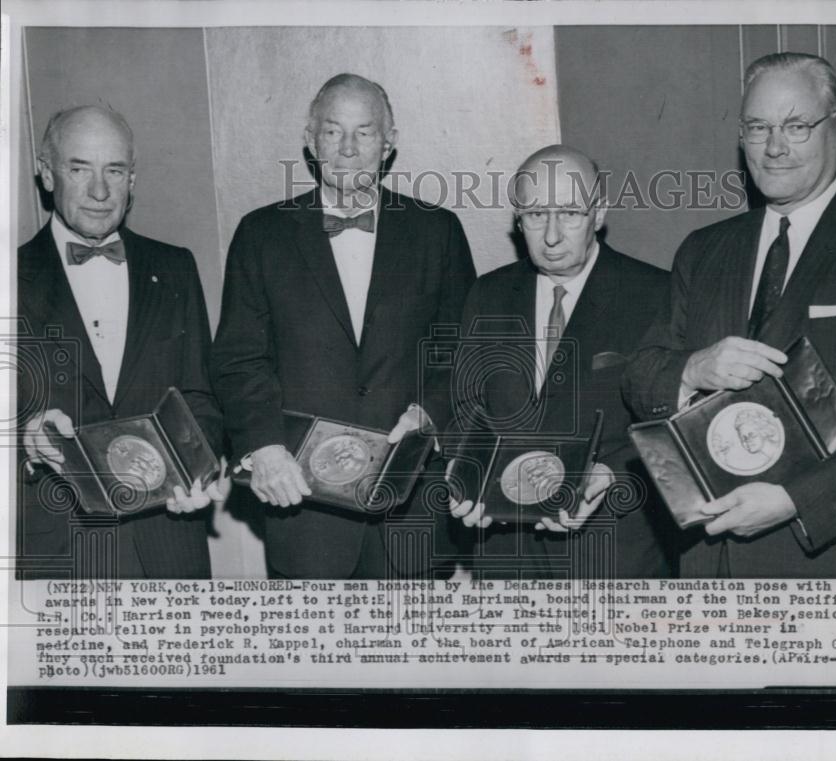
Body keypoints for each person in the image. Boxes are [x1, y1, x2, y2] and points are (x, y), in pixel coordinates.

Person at [623, 53, 836, 578]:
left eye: (797, 125)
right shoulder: (704, 250)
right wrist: (693, 367)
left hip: (834, 562)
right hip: (709, 567)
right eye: (758, 127)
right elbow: (640, 376)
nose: (775, 147)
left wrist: (796, 500)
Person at [211, 73, 476, 579]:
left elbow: (462, 352)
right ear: (310, 140)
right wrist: (263, 446)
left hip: (412, 505)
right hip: (305, 515)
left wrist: (431, 413)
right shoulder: (260, 235)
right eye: (333, 132)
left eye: (366, 132)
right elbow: (238, 359)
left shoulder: (438, 231)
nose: (349, 149)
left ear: (390, 141)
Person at [18, 105, 226, 579]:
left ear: (132, 179)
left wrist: (198, 466)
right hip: (59, 552)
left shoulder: (175, 267)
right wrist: (24, 436)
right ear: (46, 174)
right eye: (78, 168)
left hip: (170, 546)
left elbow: (202, 399)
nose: (98, 191)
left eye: (114, 170)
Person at [448, 145, 675, 578]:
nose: (551, 236)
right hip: (505, 555)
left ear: (599, 213)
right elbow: (465, 410)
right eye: (535, 215)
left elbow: (672, 425)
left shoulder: (655, 295)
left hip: (614, 554)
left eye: (570, 213)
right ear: (517, 220)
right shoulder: (487, 295)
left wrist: (610, 474)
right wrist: (468, 474)